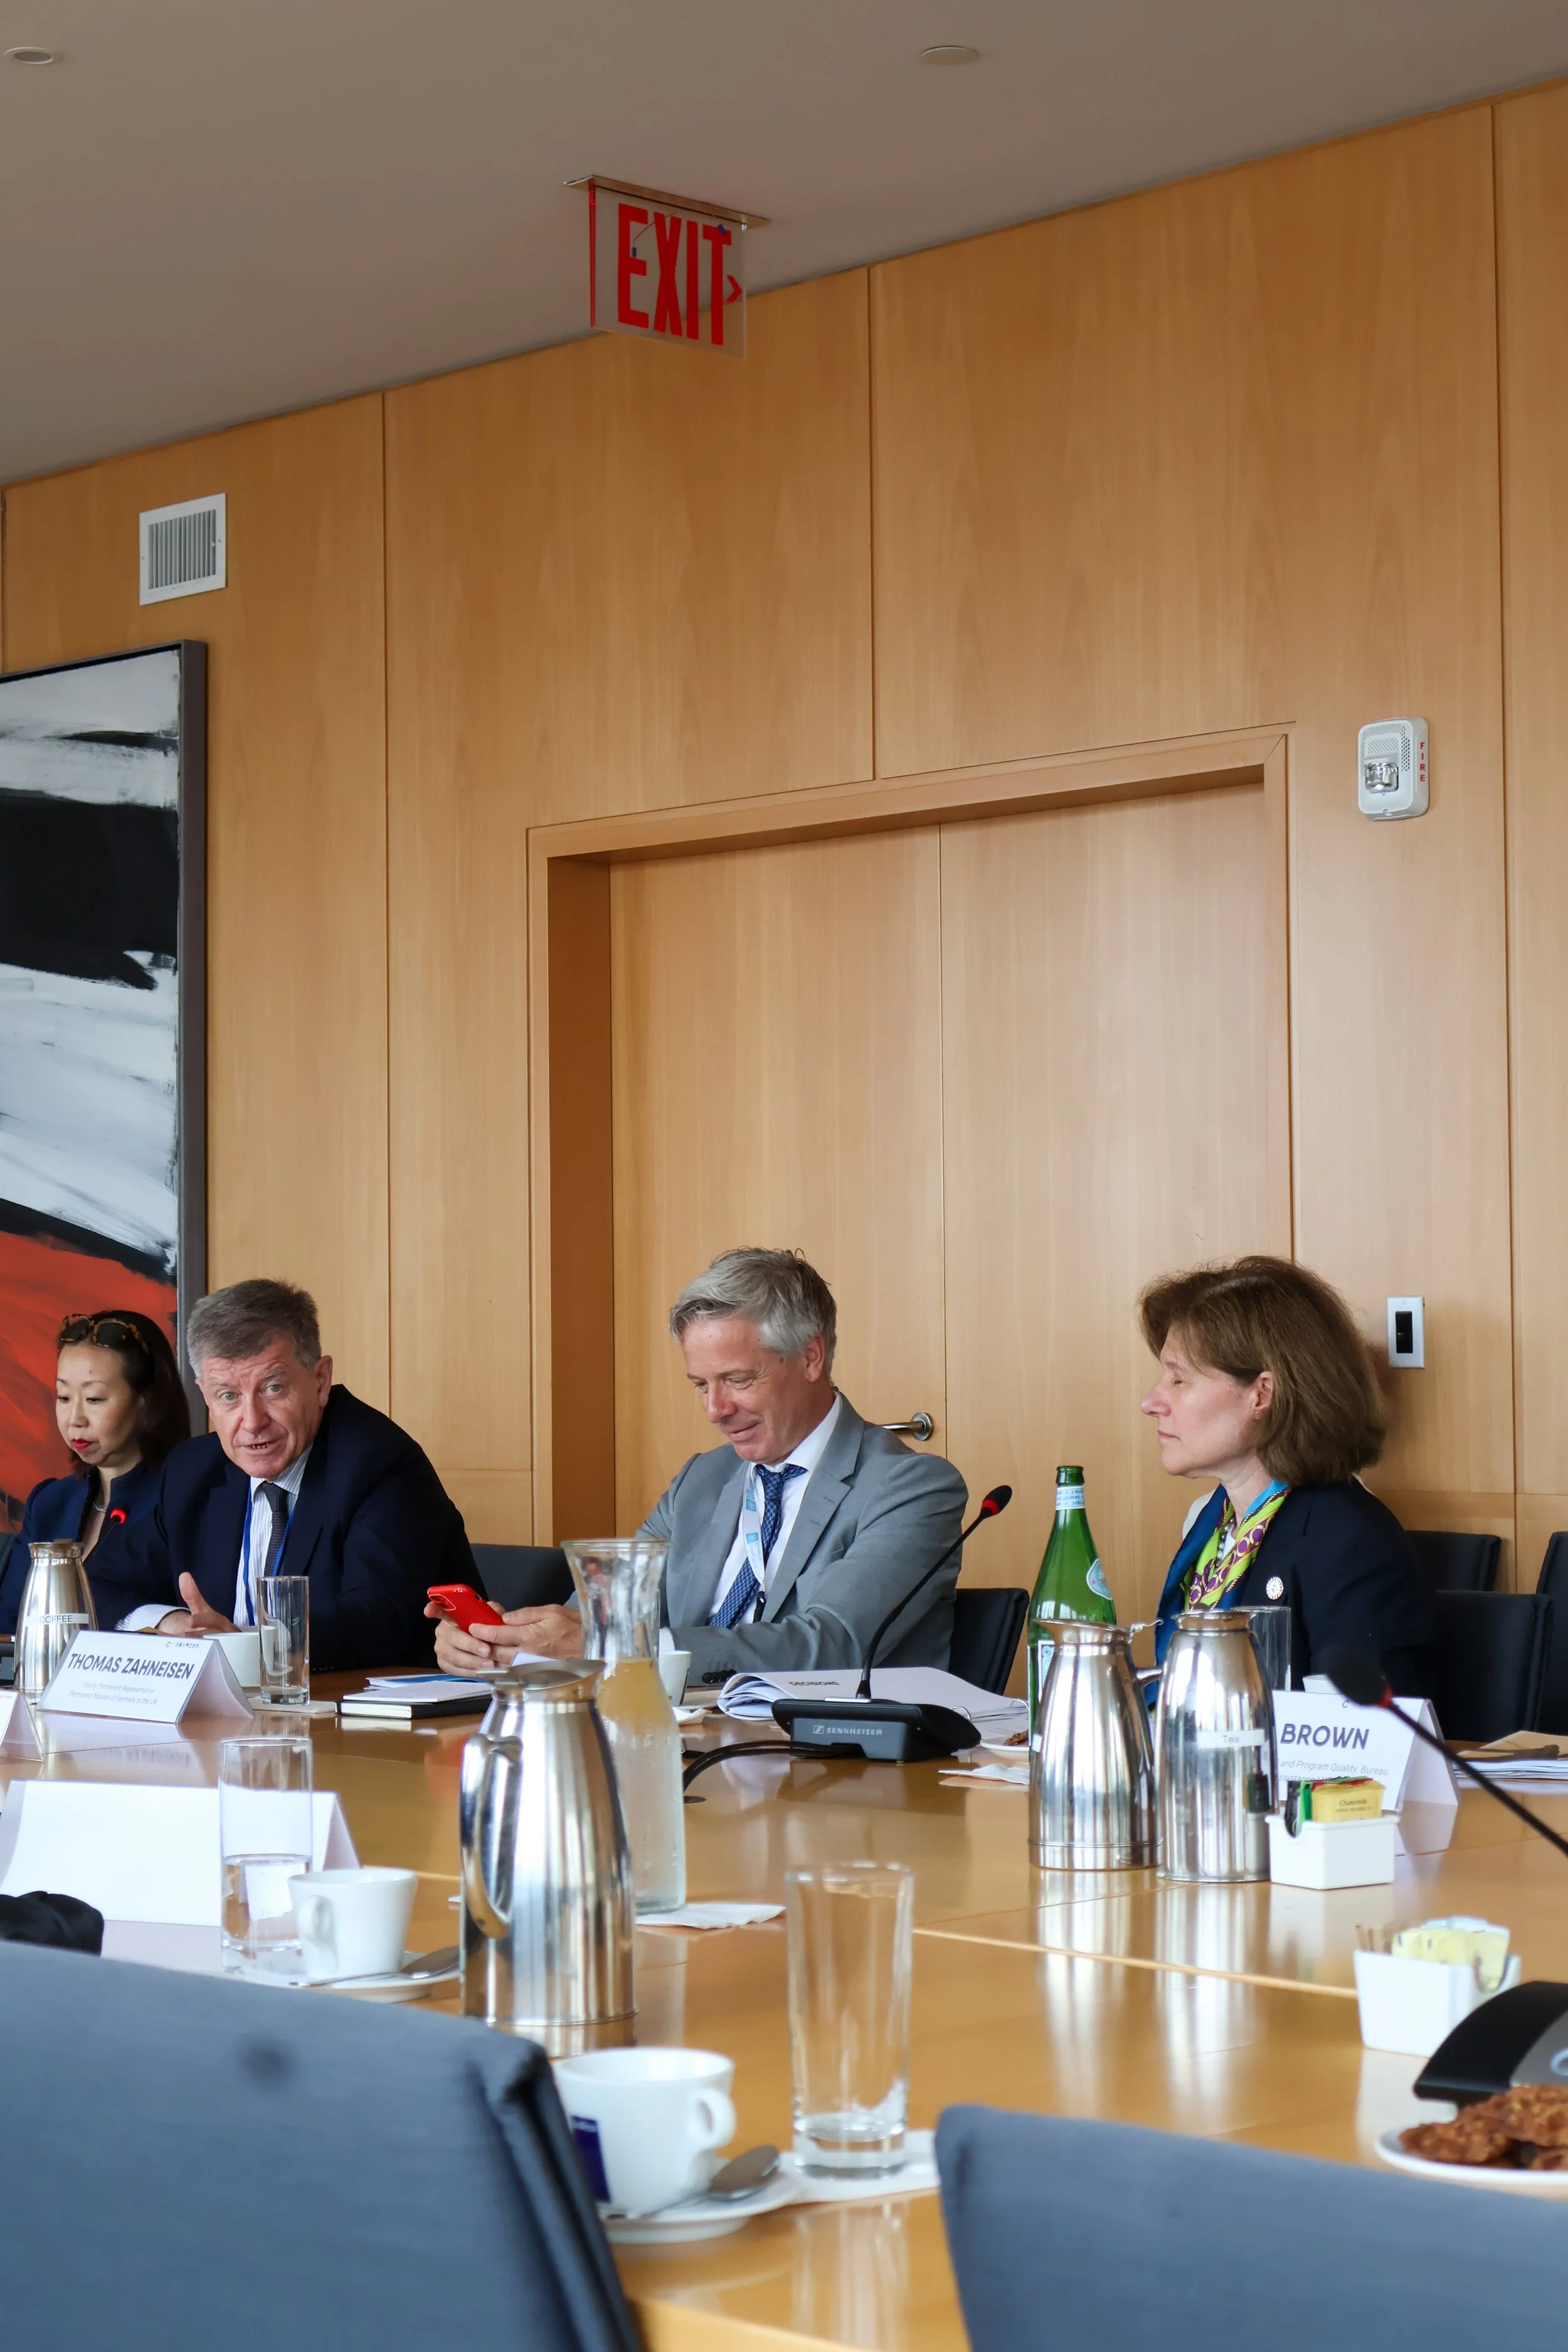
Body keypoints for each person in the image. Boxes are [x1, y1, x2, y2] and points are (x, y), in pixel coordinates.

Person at [432, 1247, 968, 1682]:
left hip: (833, 1777)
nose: (716, 1410)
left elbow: (832, 1645)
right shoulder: (700, 1480)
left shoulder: (911, 1487)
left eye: (738, 1380)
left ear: (811, 1357)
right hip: (684, 1752)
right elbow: (594, 1619)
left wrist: (615, 1644)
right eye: (700, 1385)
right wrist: (500, 1642)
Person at [90, 1278, 475, 1671]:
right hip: (234, 1721)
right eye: (228, 1396)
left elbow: (376, 1622)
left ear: (320, 1381)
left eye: (273, 1388)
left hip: (369, 1717)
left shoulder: (380, 1464)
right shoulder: (193, 1471)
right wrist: (174, 1625)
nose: (253, 1422)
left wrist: (244, 1647)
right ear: (204, 1394)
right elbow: (98, 1583)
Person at [1140, 1254, 1433, 1693]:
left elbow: (1362, 1743)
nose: (1151, 1402)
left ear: (1262, 1395)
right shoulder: (1211, 1521)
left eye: (1179, 1381)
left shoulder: (1346, 1541)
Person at [0, 1310, 191, 1634]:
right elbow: (10, 1624)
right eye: (63, 1397)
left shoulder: (183, 1496)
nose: (75, 1419)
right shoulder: (49, 1503)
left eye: (94, 1399)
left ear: (146, 1400)